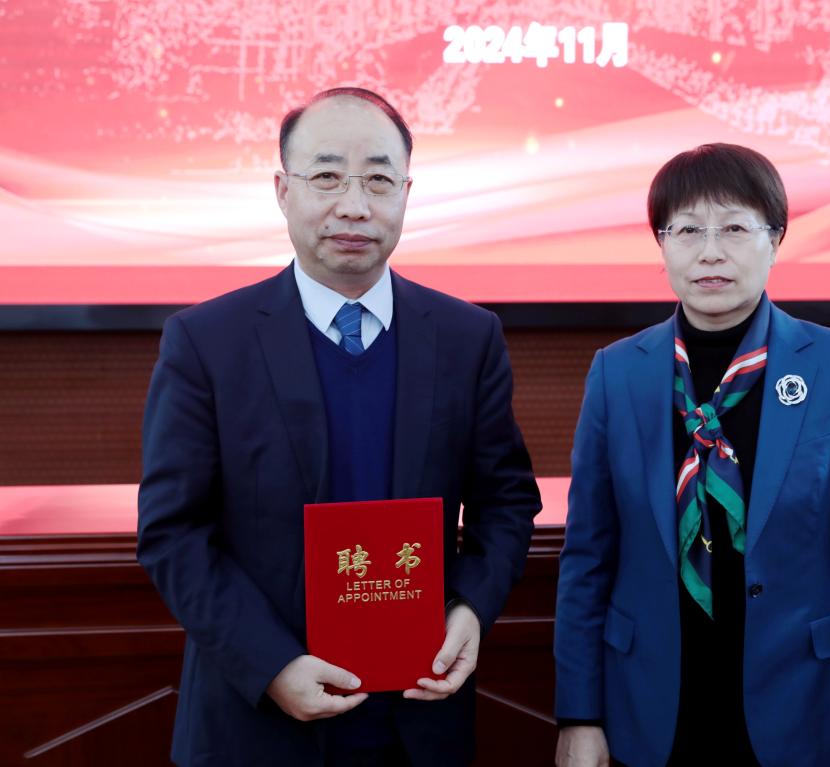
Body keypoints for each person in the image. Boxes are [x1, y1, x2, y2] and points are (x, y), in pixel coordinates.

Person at [137, 87, 541, 767]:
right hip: (257, 729)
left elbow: (506, 502)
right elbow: (172, 532)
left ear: (405, 194)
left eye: (378, 180)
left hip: (419, 720)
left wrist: (471, 608)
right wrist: (270, 664)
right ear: (282, 191)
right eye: (326, 176)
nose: (354, 205)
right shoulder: (206, 342)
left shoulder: (467, 338)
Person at [554, 144, 830, 767]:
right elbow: (587, 558)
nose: (711, 251)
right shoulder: (617, 373)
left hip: (801, 704)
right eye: (688, 229)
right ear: (661, 245)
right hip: (650, 706)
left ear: (775, 240)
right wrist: (580, 715)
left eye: (736, 229)